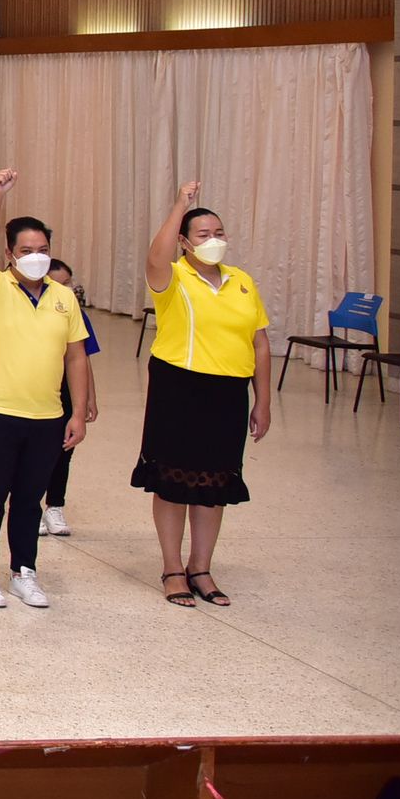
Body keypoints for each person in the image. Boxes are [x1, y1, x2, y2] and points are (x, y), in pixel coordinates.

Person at [134, 182, 270, 608]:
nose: (214, 240)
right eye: (203, 234)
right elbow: (155, 257)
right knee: (173, 482)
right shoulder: (174, 277)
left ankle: (201, 567)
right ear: (184, 242)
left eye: (219, 233)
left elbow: (260, 342)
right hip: (179, 386)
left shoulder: (242, 281)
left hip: (227, 392)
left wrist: (263, 401)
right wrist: (180, 204)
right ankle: (172, 568)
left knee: (215, 482)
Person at [0, 170, 92, 609]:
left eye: (42, 250)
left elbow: (76, 356)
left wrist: (78, 412)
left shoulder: (63, 296)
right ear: (10, 254)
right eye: (25, 250)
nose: (35, 257)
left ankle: (24, 571)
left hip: (47, 415)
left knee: (29, 499)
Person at [40, 257, 101, 537]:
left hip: (68, 387)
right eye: (61, 283)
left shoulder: (75, 313)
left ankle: (55, 505)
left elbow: (83, 358)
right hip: (39, 387)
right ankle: (31, 506)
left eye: (69, 282)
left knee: (65, 448)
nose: (68, 288)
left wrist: (88, 397)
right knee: (38, 450)